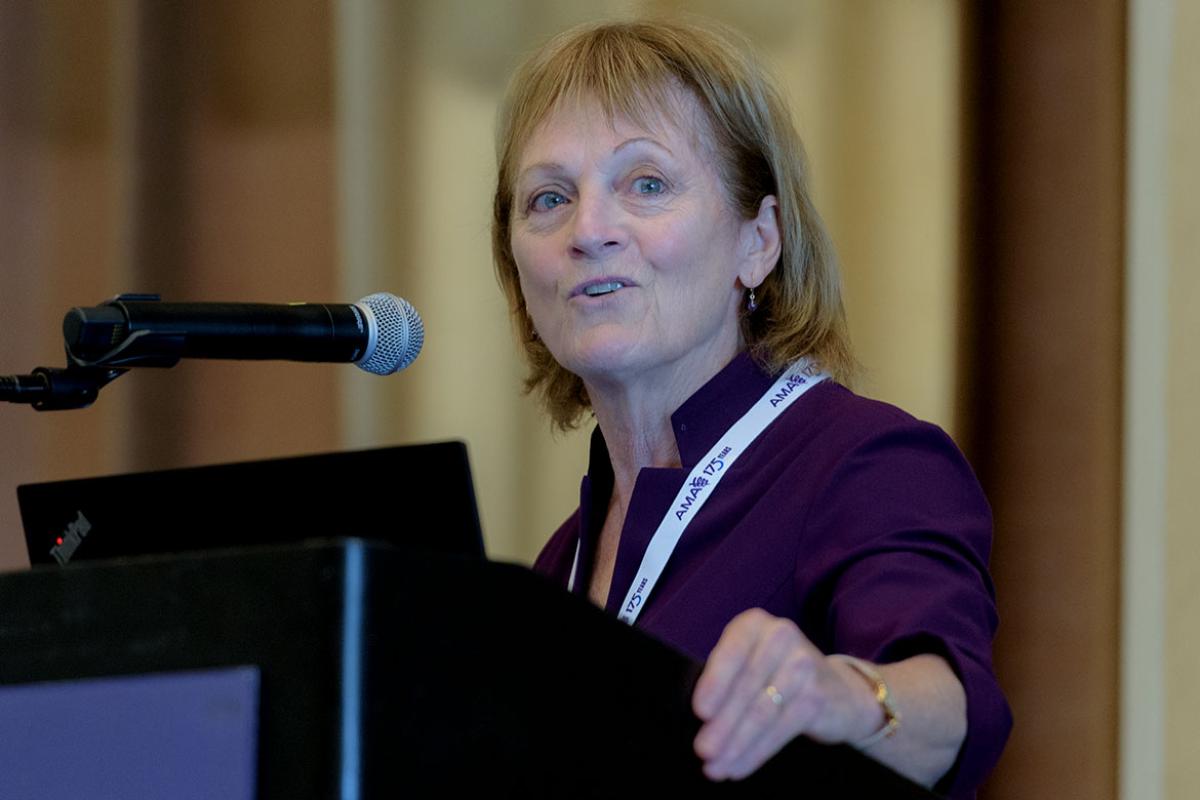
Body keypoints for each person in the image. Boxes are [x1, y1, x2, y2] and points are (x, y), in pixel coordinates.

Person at [491, 18, 1011, 798]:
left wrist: (843, 698)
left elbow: (951, 712)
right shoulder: (558, 562)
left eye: (647, 183)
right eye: (549, 198)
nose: (588, 230)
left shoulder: (866, 462)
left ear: (758, 241)